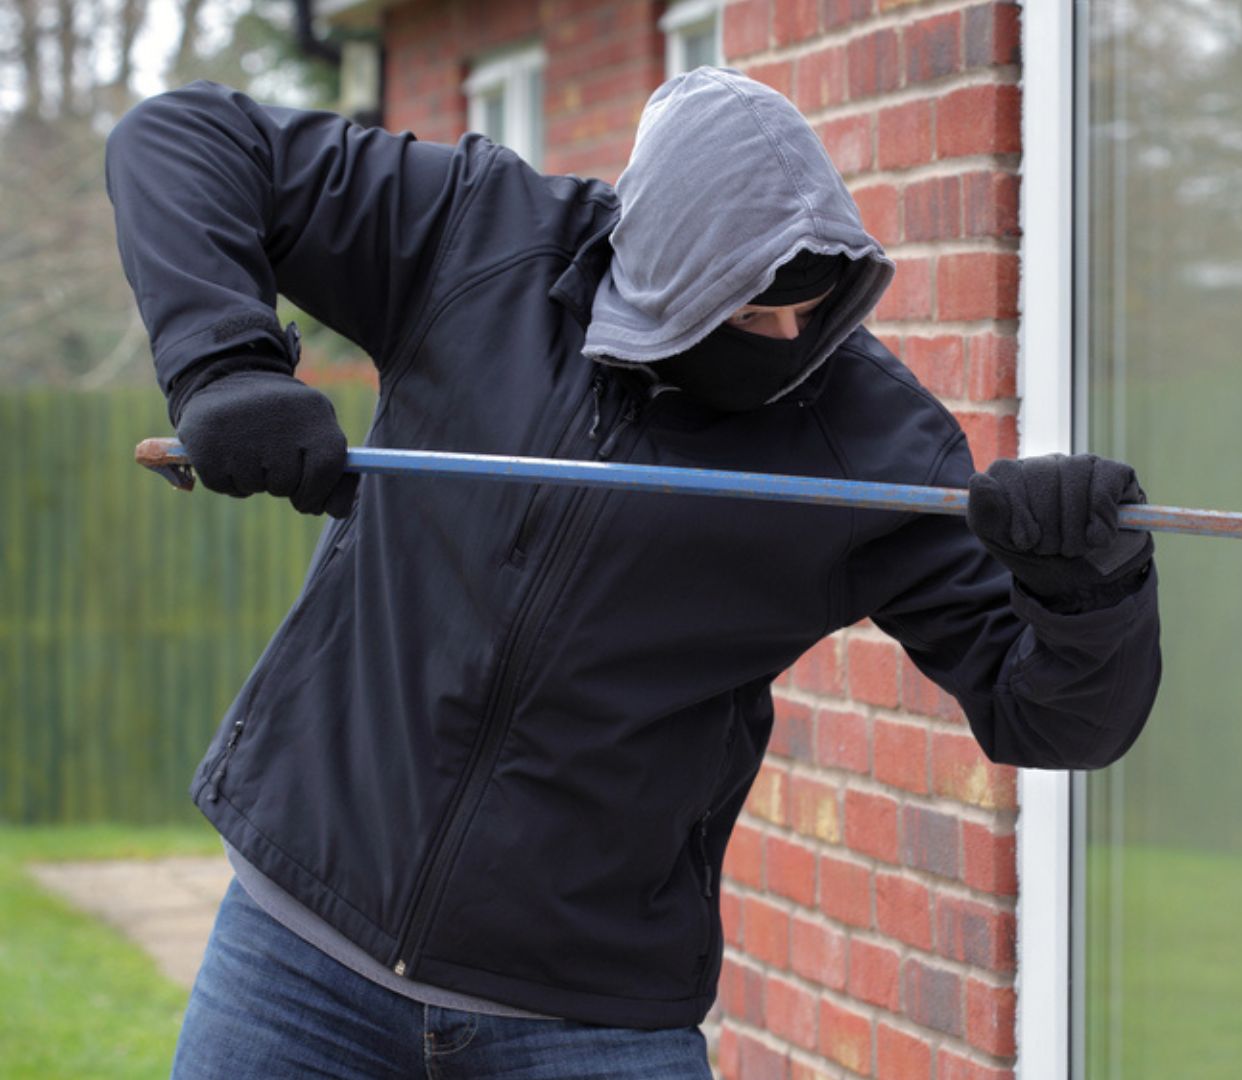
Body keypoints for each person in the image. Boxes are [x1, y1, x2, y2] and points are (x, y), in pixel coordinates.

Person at [105, 69, 1162, 1078]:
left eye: (816, 306)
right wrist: (227, 366)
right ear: (654, 267)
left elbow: (1052, 717)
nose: (791, 339)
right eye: (754, 313)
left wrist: (1087, 592)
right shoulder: (481, 237)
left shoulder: (872, 444)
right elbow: (185, 138)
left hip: (587, 1011)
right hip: (300, 947)